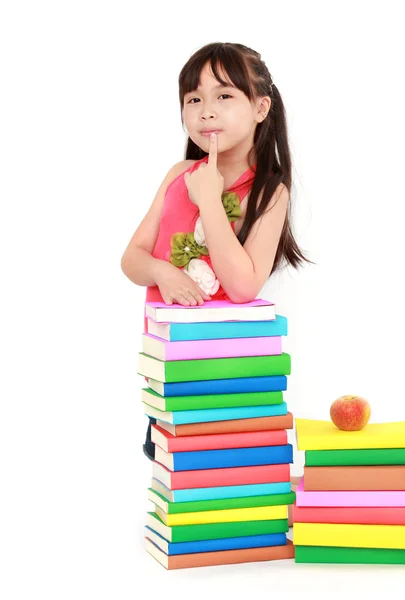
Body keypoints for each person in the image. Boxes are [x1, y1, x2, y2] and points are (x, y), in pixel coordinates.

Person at [120, 42, 311, 464]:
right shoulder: (177, 175)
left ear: (261, 108)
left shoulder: (268, 191)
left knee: (226, 484)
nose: (206, 110)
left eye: (224, 96)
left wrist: (209, 200)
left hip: (230, 370)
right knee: (174, 481)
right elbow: (131, 258)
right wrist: (161, 271)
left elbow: (243, 286)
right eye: (194, 99)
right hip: (173, 367)